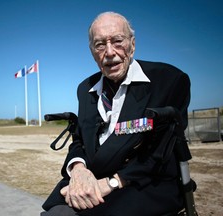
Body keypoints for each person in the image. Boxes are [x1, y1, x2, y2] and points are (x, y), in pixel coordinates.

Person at [41, 11, 191, 216]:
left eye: (117, 41)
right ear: (92, 51)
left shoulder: (169, 81)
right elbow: (79, 140)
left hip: (143, 184)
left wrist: (112, 182)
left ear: (133, 44)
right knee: (56, 213)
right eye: (100, 44)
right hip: (92, 178)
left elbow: (160, 152)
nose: (109, 52)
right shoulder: (85, 88)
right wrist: (77, 169)